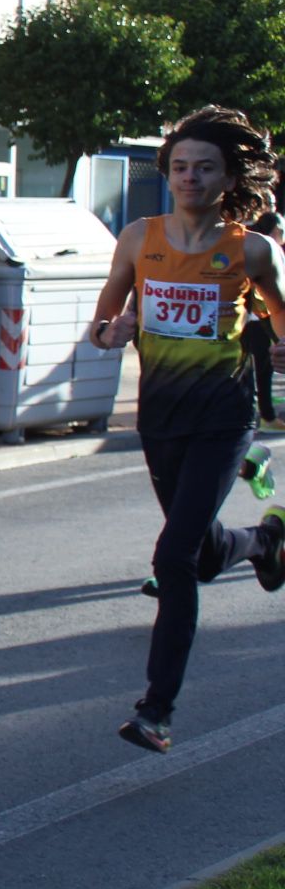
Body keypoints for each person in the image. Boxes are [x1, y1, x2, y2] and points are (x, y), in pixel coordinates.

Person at [88, 106, 285, 754]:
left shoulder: (252, 250)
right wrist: (110, 332)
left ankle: (156, 710)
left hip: (223, 418)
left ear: (228, 176)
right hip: (160, 416)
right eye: (180, 167)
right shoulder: (137, 238)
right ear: (166, 173)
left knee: (172, 558)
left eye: (204, 168)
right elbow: (104, 319)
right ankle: (263, 542)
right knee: (196, 550)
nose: (190, 178)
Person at [243, 210, 285, 431]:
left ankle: (261, 414)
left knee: (256, 368)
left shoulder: (265, 248)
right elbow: (264, 300)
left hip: (259, 320)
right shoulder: (261, 250)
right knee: (261, 368)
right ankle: (266, 417)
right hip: (254, 320)